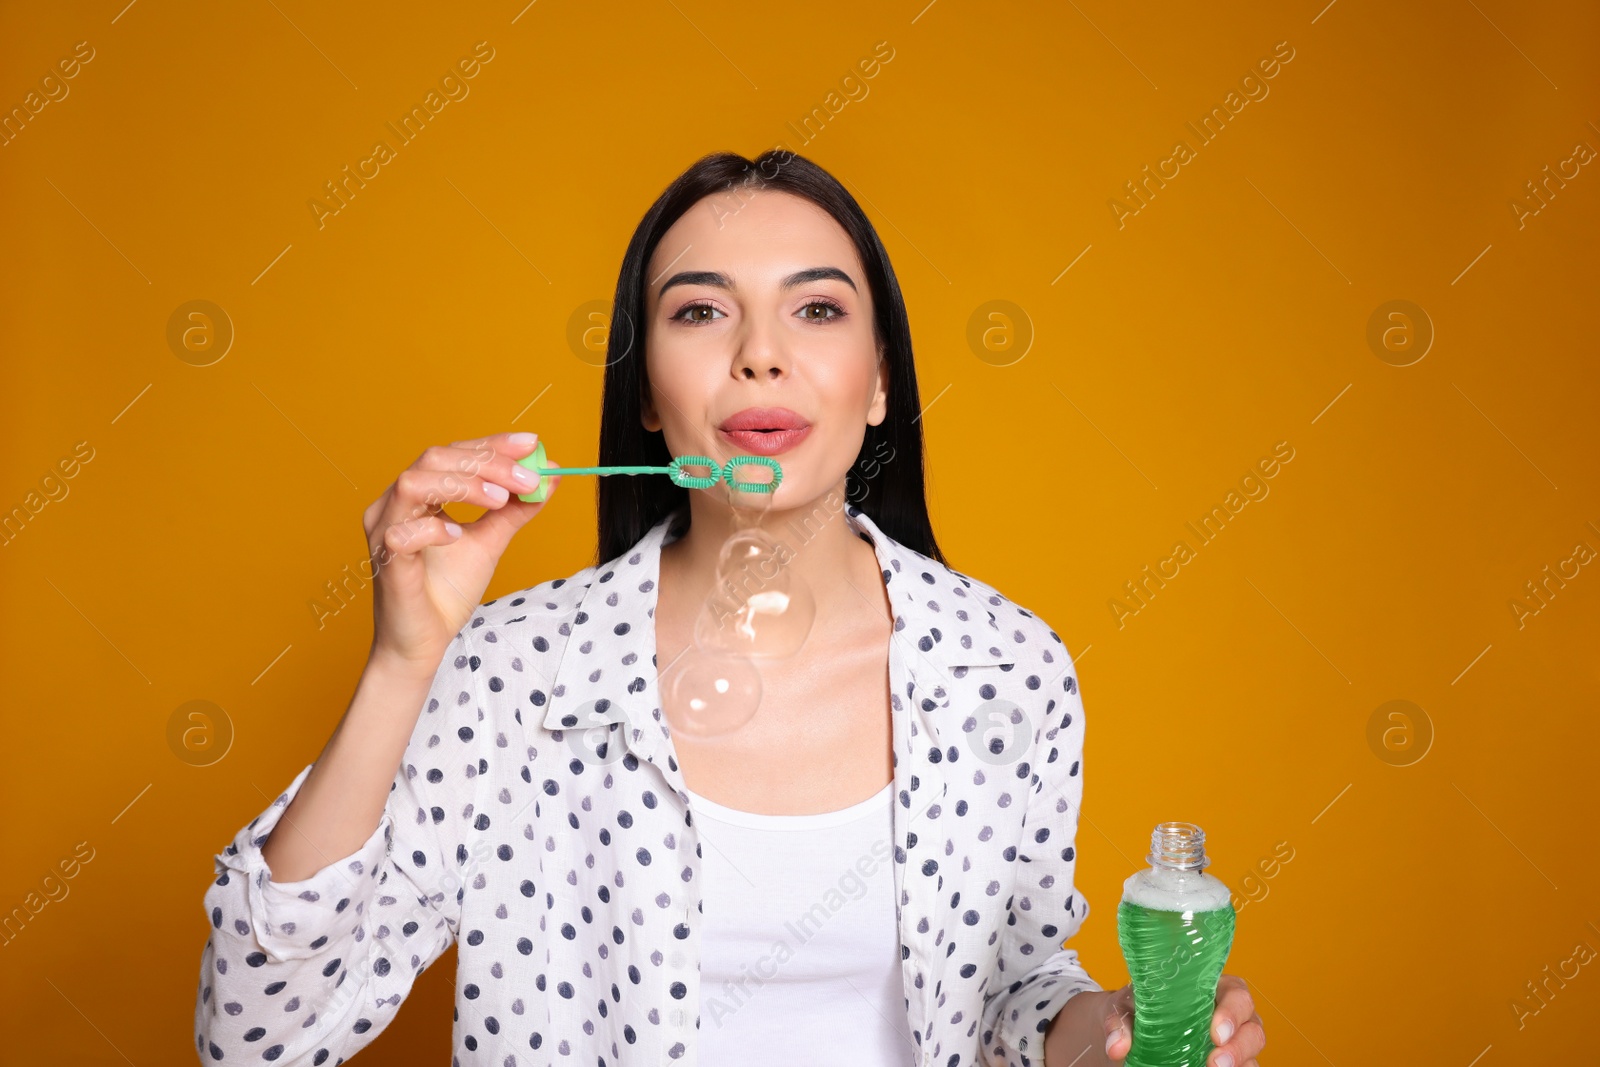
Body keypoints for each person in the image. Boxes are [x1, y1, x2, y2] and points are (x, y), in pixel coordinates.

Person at [193, 149, 1266, 1067]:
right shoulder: (517, 672)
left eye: (816, 308)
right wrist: (403, 661)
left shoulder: (1010, 665)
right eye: (701, 310)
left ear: (880, 379)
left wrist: (1113, 1027)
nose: (761, 351)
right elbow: (255, 1036)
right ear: (650, 397)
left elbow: (1010, 991)